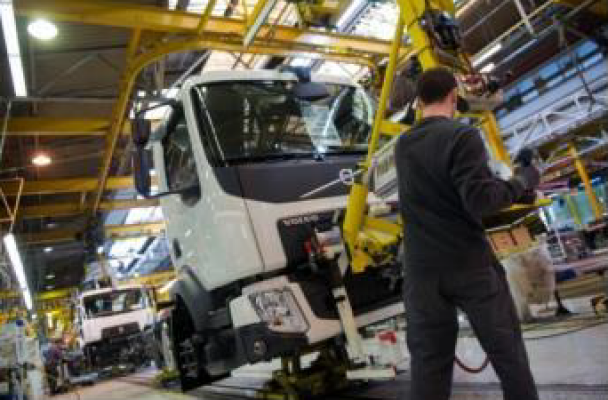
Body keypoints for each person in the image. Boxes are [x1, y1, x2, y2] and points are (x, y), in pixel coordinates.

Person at [394, 67, 541, 400]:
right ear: (453, 95)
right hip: (467, 265)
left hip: (421, 273)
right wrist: (522, 181)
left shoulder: (403, 145)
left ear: (418, 101)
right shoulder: (462, 136)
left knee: (429, 367)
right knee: (508, 356)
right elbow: (481, 201)